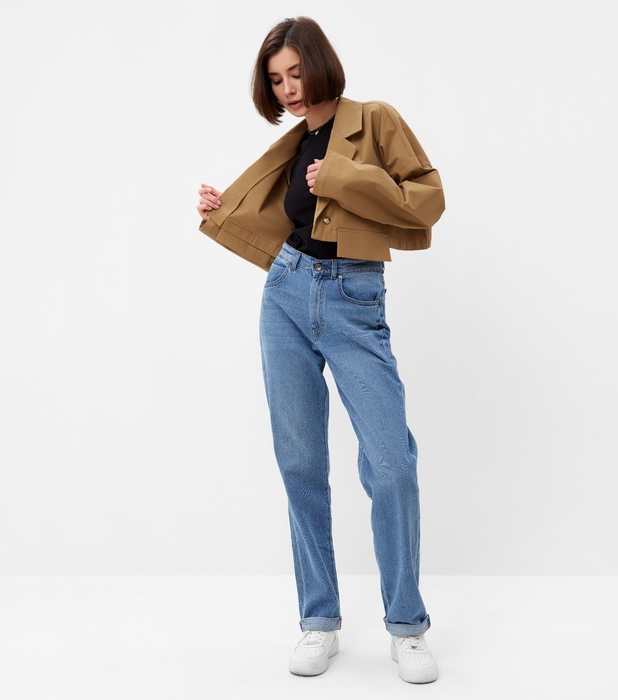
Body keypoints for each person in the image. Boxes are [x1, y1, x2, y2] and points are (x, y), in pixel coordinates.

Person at [196, 16, 445, 684]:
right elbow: (289, 220)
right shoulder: (295, 141)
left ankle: (407, 626)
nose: (288, 88)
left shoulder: (375, 120)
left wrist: (342, 176)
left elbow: (427, 200)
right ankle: (319, 619)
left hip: (355, 297)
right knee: (300, 464)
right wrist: (224, 207)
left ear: (318, 62)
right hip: (285, 293)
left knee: (391, 464)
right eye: (276, 80)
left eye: (295, 72)